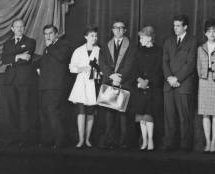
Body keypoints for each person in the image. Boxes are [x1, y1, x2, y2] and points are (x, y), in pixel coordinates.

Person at [99, 20, 136, 149]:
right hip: (110, 81)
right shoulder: (105, 45)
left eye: (121, 28)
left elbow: (130, 64)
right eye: (116, 28)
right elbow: (102, 62)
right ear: (112, 30)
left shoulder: (131, 45)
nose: (118, 30)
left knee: (123, 114)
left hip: (124, 82)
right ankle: (110, 141)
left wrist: (120, 77)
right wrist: (111, 75)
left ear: (125, 30)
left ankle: (124, 142)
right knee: (109, 113)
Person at [162, 14, 197, 152]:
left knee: (184, 117)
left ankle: (185, 146)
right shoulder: (168, 41)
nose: (175, 28)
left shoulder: (192, 41)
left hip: (184, 85)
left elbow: (190, 63)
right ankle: (170, 144)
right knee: (169, 116)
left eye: (178, 26)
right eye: (174, 25)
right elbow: (164, 62)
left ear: (185, 27)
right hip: (169, 85)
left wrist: (177, 78)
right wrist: (169, 78)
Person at [34, 24, 72, 148]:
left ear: (56, 34)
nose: (47, 36)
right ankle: (47, 141)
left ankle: (59, 141)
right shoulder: (47, 48)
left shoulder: (63, 45)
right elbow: (45, 62)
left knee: (53, 112)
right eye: (45, 34)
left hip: (56, 86)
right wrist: (38, 67)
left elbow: (61, 57)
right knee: (44, 113)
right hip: (44, 85)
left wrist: (49, 47)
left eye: (50, 33)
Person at [0, 19, 37, 146]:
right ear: (12, 29)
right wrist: (18, 56)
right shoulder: (7, 44)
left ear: (24, 28)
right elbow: (4, 59)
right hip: (10, 81)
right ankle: (14, 137)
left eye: (21, 26)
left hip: (24, 80)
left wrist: (13, 57)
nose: (19, 28)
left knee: (24, 109)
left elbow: (27, 59)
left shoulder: (30, 42)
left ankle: (24, 139)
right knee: (12, 109)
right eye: (17, 26)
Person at [197, 19, 215, 153]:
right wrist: (203, 75)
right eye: (209, 31)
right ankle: (207, 141)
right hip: (204, 81)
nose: (212, 33)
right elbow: (198, 65)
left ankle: (214, 142)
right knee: (205, 114)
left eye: (214, 31)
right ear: (205, 33)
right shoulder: (200, 48)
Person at [68, 25, 102, 148]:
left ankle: (88, 139)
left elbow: (102, 67)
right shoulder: (78, 50)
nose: (94, 38)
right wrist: (83, 68)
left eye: (96, 36)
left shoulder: (99, 50)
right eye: (92, 36)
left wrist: (96, 71)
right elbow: (71, 68)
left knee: (91, 112)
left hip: (93, 83)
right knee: (81, 111)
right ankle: (81, 139)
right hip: (81, 83)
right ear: (86, 37)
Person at [131, 26, 163, 151]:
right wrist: (139, 80)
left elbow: (159, 70)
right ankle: (144, 141)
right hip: (140, 87)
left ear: (149, 38)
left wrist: (148, 81)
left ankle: (150, 140)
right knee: (141, 117)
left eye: (142, 38)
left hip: (152, 88)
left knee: (149, 115)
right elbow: (134, 68)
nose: (140, 40)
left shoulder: (158, 51)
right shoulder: (138, 51)